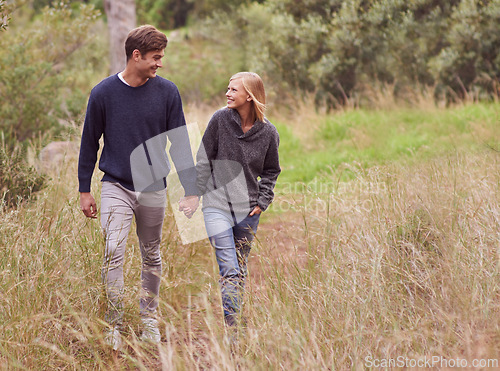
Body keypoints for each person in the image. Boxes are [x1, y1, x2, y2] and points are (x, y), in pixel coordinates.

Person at [78, 25, 199, 351]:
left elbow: (180, 145)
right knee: (113, 253)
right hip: (115, 184)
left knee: (151, 256)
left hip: (152, 187)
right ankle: (113, 325)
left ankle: (148, 319)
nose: (160, 63)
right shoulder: (103, 93)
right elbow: (90, 142)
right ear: (136, 55)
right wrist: (84, 189)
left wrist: (190, 189)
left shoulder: (167, 92)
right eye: (155, 58)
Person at [196, 72, 281, 340]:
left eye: (234, 90)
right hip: (216, 205)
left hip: (248, 210)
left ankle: (235, 318)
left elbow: (271, 171)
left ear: (250, 96)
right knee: (229, 268)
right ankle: (233, 330)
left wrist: (263, 200)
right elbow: (204, 158)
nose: (227, 94)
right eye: (228, 89)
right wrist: (193, 194)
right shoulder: (220, 120)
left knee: (239, 269)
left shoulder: (268, 133)